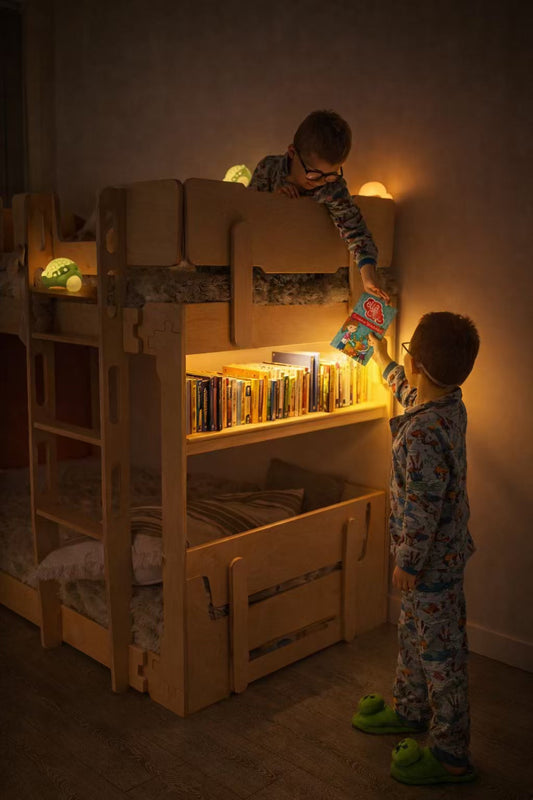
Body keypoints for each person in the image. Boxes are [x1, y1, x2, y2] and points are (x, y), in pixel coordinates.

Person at [351, 312, 480, 786]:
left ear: (419, 365)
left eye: (406, 353)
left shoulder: (423, 434)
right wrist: (384, 357)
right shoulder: (449, 406)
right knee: (413, 637)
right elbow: (410, 394)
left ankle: (450, 753)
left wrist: (406, 563)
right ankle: (409, 709)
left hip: (428, 566)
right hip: (440, 558)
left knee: (441, 656)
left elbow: (422, 510)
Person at [249, 109, 388, 301]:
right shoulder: (268, 169)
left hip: (308, 264)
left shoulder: (332, 187)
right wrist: (275, 203)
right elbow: (249, 212)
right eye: (314, 174)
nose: (321, 182)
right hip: (266, 260)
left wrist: (368, 275)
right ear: (292, 153)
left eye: (330, 174)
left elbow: (355, 231)